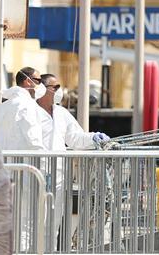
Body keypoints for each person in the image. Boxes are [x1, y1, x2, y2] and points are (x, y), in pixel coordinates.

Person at [35, 73, 109, 248]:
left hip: (59, 174)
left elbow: (75, 137)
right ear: (42, 89)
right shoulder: (31, 111)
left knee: (53, 220)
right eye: (55, 87)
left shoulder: (61, 113)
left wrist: (93, 138)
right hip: (36, 170)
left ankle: (49, 251)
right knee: (34, 218)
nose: (59, 91)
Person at [0, 67, 47, 151]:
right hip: (24, 162)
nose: (41, 85)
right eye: (38, 81)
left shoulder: (2, 107)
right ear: (28, 81)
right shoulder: (28, 105)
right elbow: (34, 140)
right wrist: (43, 160)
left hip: (4, 161)